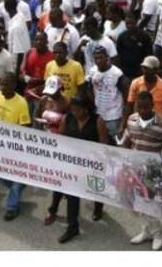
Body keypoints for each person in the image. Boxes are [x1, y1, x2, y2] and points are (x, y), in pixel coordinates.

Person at [123, 90, 162, 250]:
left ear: (152, 106)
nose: (143, 111)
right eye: (140, 108)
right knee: (138, 204)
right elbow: (127, 140)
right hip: (135, 170)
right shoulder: (131, 120)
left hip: (153, 172)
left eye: (146, 107)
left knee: (152, 205)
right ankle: (145, 231)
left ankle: (158, 234)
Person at [56, 95, 107, 243]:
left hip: (93, 163)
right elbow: (60, 139)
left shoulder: (98, 121)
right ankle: (72, 227)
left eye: (77, 110)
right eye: (72, 109)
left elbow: (103, 144)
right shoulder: (67, 119)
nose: (74, 112)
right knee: (72, 194)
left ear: (86, 109)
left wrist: (99, 162)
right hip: (73, 163)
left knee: (96, 188)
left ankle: (98, 207)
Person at [0, 72, 32, 220]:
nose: (2, 87)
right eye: (1, 83)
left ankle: (12, 207)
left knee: (16, 177)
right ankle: (18, 186)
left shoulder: (21, 103)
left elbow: (26, 127)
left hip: (15, 147)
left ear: (14, 86)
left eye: (6, 84)